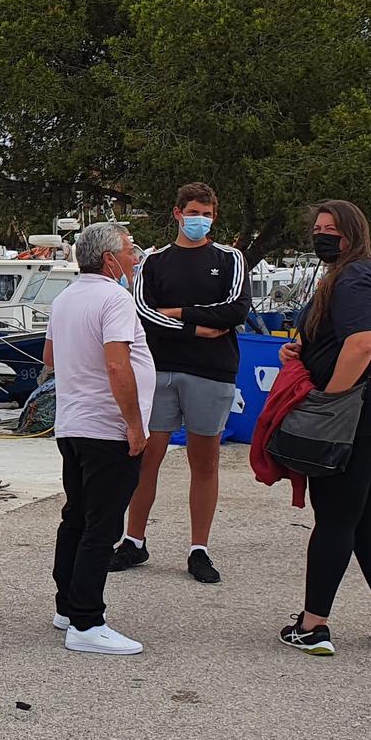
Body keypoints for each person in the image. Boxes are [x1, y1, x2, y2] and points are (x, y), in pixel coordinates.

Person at [279, 201, 371, 656]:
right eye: (317, 228)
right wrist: (301, 351)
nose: (322, 236)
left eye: (331, 229)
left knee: (336, 519)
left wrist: (330, 398)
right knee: (365, 519)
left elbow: (362, 344)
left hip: (356, 413)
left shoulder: (354, 276)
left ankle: (313, 624)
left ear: (352, 232)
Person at [117, 182, 250, 584]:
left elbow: (235, 310)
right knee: (146, 456)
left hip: (212, 371)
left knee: (205, 460)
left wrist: (178, 313)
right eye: (193, 212)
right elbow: (141, 310)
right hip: (159, 369)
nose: (200, 220)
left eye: (207, 214)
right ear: (177, 213)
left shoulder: (230, 258)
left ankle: (199, 549)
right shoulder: (154, 260)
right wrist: (196, 328)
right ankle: (133, 540)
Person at [42, 221, 154, 655]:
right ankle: (87, 622)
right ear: (109, 259)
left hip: (72, 425)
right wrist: (134, 424)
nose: (134, 257)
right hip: (107, 427)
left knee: (77, 516)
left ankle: (67, 605)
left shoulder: (66, 297)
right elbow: (117, 366)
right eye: (129, 250)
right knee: (101, 524)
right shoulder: (115, 297)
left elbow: (50, 356)